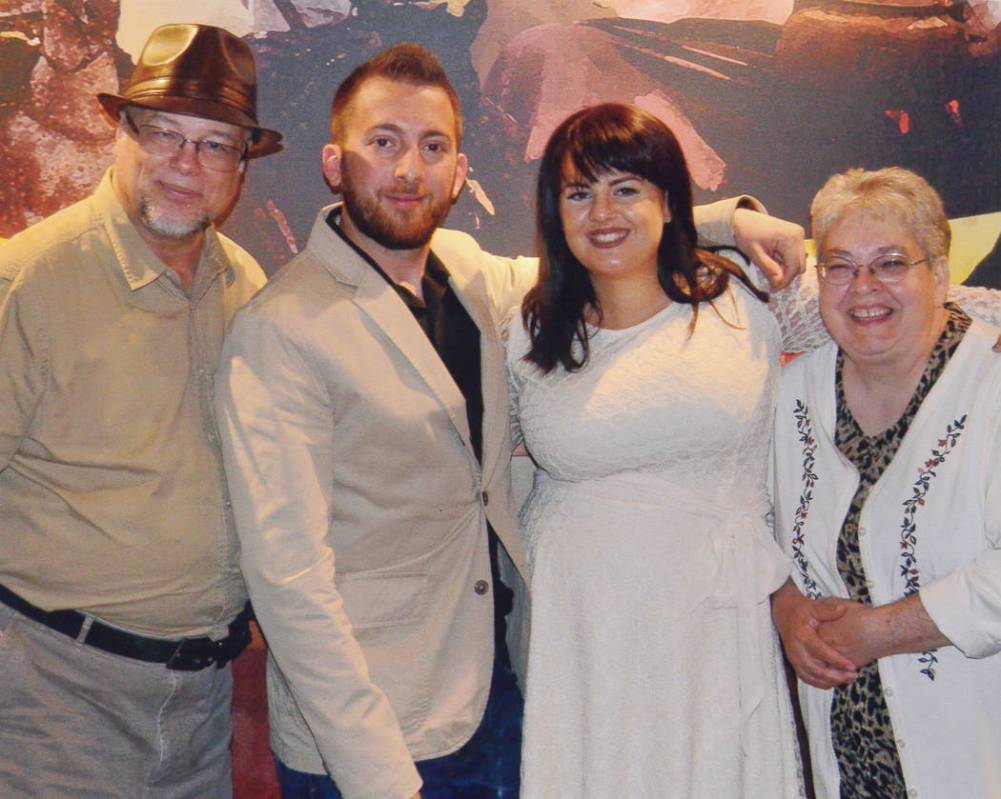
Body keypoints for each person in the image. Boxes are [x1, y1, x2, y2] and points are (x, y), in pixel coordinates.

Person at [214, 45, 806, 799]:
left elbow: (599, 247)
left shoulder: (467, 271)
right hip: (373, 737)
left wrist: (725, 220)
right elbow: (288, 579)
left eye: (432, 147)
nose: (407, 171)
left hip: (501, 696)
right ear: (334, 163)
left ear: (460, 174)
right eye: (382, 142)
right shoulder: (281, 329)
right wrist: (376, 776)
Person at [0, 24, 282, 799]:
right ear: (121, 132)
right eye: (164, 134)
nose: (186, 165)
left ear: (241, 165)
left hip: (202, 711)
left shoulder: (245, 285)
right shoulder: (31, 283)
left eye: (215, 145)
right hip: (54, 708)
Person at [505, 102, 806, 797]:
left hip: (711, 635)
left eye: (626, 188)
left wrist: (733, 220)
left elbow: (896, 303)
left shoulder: (747, 297)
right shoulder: (527, 329)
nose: (602, 211)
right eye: (578, 192)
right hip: (582, 643)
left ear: (669, 200)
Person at [771, 167, 1001, 799]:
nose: (863, 288)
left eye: (891, 263)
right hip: (848, 759)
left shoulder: (992, 377)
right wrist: (787, 609)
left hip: (978, 749)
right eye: (840, 267)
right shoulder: (793, 391)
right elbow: (755, 528)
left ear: (942, 274)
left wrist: (877, 631)